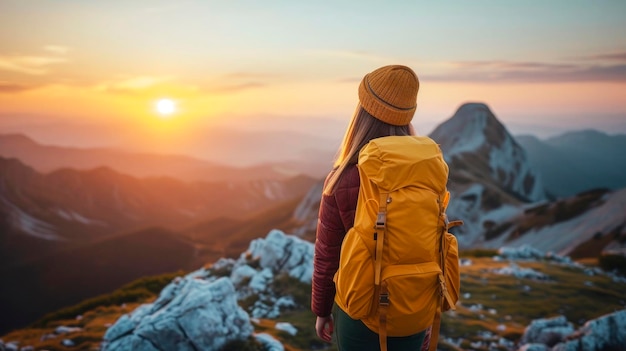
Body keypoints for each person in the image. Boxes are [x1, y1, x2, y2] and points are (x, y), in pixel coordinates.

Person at [311, 65, 432, 350]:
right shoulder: (426, 171)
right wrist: (426, 313)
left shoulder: (344, 178)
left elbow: (329, 254)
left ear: (362, 112)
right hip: (415, 308)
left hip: (360, 312)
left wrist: (322, 310)